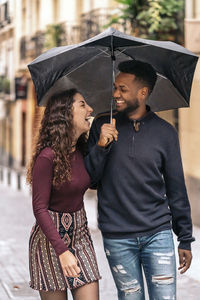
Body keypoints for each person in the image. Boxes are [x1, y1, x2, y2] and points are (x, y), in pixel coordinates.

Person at [84, 60, 194, 300]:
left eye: (123, 89)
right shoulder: (102, 125)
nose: (115, 94)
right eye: (115, 87)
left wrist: (184, 237)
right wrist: (101, 146)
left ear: (143, 93)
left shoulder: (165, 133)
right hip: (117, 235)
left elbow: (176, 187)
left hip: (158, 233)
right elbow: (90, 180)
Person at [26, 89, 100, 300]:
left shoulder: (82, 150)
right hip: (49, 242)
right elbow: (39, 209)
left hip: (80, 236)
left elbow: (95, 180)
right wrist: (62, 251)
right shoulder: (47, 157)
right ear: (66, 113)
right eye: (83, 104)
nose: (90, 109)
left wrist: (102, 146)